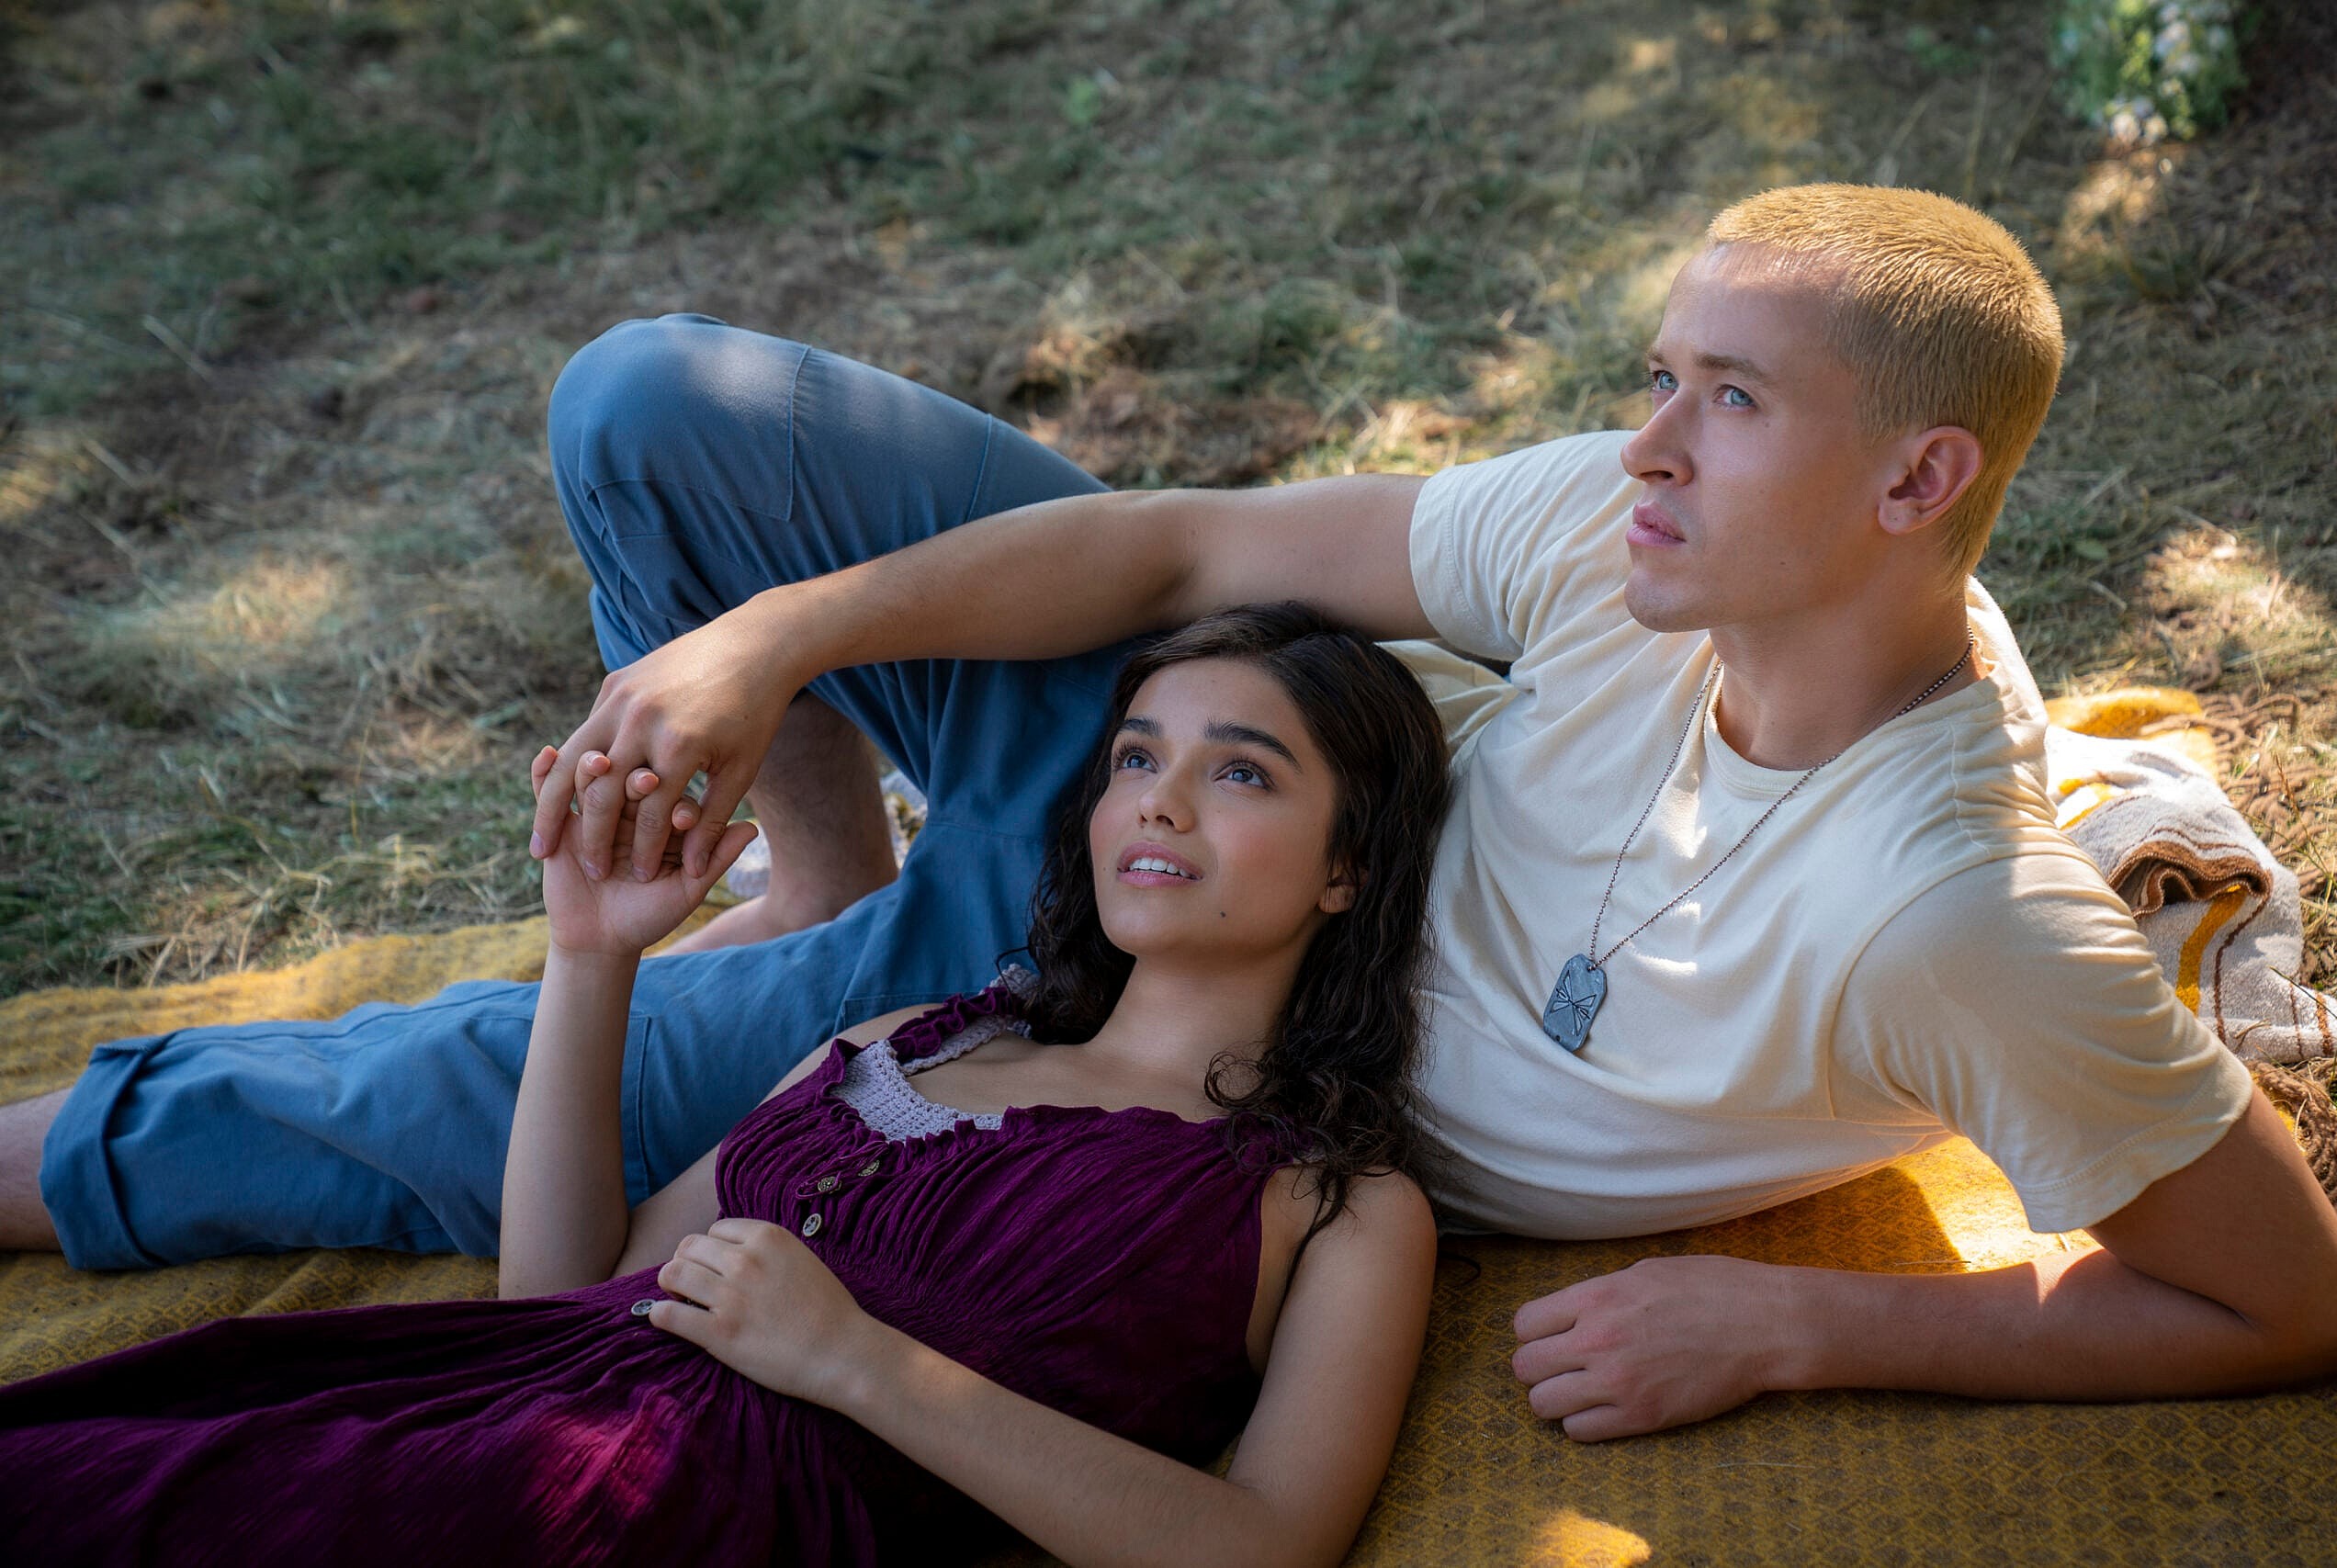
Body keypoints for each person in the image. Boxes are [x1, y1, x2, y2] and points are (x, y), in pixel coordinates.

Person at [5, 184, 2337, 1440]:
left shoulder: (1951, 919)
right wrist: (773, 646)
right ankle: (819, 861)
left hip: (1147, 1017)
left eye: (1716, 400)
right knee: (648, 405)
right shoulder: (1638, 544)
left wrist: (1808, 1325)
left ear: (1915, 479)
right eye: (1658, 378)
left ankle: (38, 1155)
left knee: (462, 1079)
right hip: (1216, 764)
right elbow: (1171, 543)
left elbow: (2282, 1297)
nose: (1637, 443)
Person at [0, 605, 1448, 1567]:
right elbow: (569, 1288)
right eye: (1139, 754)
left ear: (1349, 869)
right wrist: (591, 961)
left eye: (1242, 773)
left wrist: (862, 1365)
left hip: (689, 1523)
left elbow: (1265, 1544)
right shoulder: (917, 1036)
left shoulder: (1334, 1201)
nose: (1161, 798)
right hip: (507, 1421)